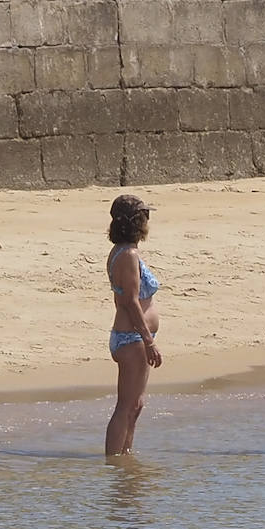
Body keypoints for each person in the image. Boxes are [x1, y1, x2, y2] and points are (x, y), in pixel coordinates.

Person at [105, 194, 163, 456]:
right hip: (132, 339)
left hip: (135, 337)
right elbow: (129, 300)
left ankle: (124, 461)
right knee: (126, 406)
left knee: (136, 405)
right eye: (145, 217)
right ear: (137, 222)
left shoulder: (126, 252)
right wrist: (149, 341)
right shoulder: (126, 255)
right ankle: (114, 463)